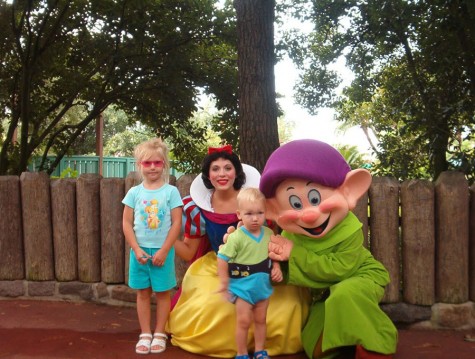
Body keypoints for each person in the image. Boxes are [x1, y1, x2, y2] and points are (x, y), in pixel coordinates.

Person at [259, 139, 398, 359]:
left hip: (360, 277)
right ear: (273, 210)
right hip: (323, 293)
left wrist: (295, 253)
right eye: (296, 203)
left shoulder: (350, 229)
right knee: (315, 345)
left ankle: (376, 348)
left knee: (346, 294)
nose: (309, 214)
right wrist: (275, 269)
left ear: (349, 191)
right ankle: (352, 337)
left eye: (315, 198)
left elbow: (341, 270)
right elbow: (292, 271)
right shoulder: (290, 234)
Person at [167, 144, 309, 358]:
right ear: (208, 175)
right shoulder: (195, 208)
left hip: (260, 264)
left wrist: (275, 266)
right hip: (220, 265)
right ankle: (240, 350)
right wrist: (165, 237)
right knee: (213, 306)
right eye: (215, 169)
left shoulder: (255, 202)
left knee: (287, 304)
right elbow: (188, 252)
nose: (222, 174)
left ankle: (261, 349)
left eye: (227, 168)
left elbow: (269, 241)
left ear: (236, 172)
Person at [122, 138, 183, 355]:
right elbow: (126, 223)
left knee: (163, 293)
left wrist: (165, 250)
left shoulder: (171, 192)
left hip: (162, 252)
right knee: (143, 293)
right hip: (139, 253)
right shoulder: (134, 193)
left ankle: (159, 332)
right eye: (147, 163)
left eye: (157, 163)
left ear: (164, 164)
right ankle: (145, 333)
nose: (153, 167)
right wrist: (136, 249)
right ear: (140, 165)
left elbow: (177, 223)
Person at [217, 187, 283, 359]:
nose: (255, 218)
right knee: (244, 321)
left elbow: (274, 253)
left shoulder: (269, 233)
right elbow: (222, 257)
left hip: (262, 287)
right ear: (239, 214)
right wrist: (224, 281)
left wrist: (276, 267)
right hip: (242, 288)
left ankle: (260, 351)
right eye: (249, 214)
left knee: (261, 320)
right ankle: (242, 353)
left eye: (260, 213)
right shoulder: (237, 237)